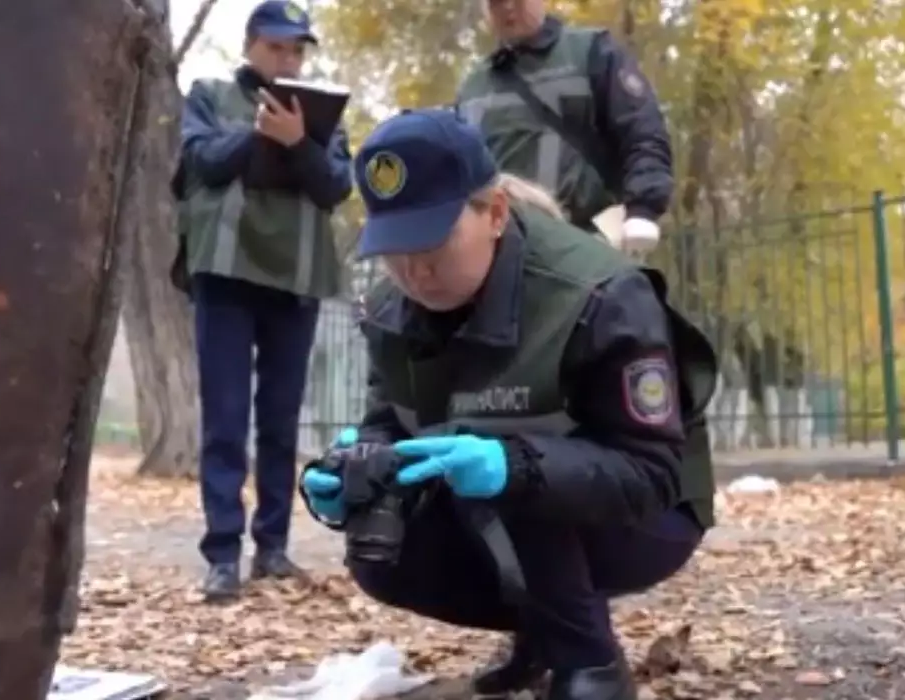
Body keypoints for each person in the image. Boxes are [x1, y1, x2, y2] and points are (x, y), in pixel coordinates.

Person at [297, 109, 718, 700]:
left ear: (494, 213)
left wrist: (511, 463)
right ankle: (541, 631)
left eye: (432, 241)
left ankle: (590, 664)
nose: (413, 270)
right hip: (526, 505)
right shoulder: (393, 311)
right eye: (394, 247)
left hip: (651, 517)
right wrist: (360, 466)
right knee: (381, 553)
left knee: (512, 478)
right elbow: (391, 417)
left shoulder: (600, 296)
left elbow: (652, 473)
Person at [177, 0, 353, 602]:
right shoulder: (208, 94)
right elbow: (199, 160)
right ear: (251, 44)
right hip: (224, 272)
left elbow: (335, 186)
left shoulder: (325, 112)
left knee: (280, 420)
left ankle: (272, 548)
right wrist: (257, 134)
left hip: (296, 277)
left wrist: (300, 141)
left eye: (298, 48)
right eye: (278, 46)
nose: (289, 57)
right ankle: (222, 554)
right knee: (225, 419)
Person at [455, 0, 673, 256]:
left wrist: (643, 208)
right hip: (505, 250)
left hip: (590, 242)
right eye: (496, 2)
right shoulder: (473, 87)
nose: (507, 8)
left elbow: (642, 130)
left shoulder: (592, 52)